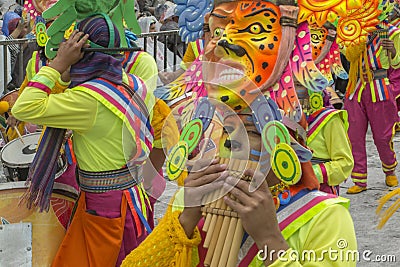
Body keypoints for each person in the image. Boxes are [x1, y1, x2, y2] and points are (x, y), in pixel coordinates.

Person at [122, 1, 357, 266]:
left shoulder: (324, 218)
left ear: (286, 148)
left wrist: (271, 241)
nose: (230, 150)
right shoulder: (189, 201)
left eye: (250, 135)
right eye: (224, 137)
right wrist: (186, 220)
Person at [12, 15, 154, 266]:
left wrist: (57, 65)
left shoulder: (87, 100)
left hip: (105, 206)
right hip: (133, 198)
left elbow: (24, 107)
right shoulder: (136, 85)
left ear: (81, 54)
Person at [345, 20, 400, 194]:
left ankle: (389, 169)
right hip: (355, 86)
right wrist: (359, 39)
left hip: (379, 86)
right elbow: (348, 56)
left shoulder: (392, 32)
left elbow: (397, 64)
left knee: (383, 136)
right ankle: (359, 179)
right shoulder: (350, 29)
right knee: (354, 136)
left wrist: (392, 50)